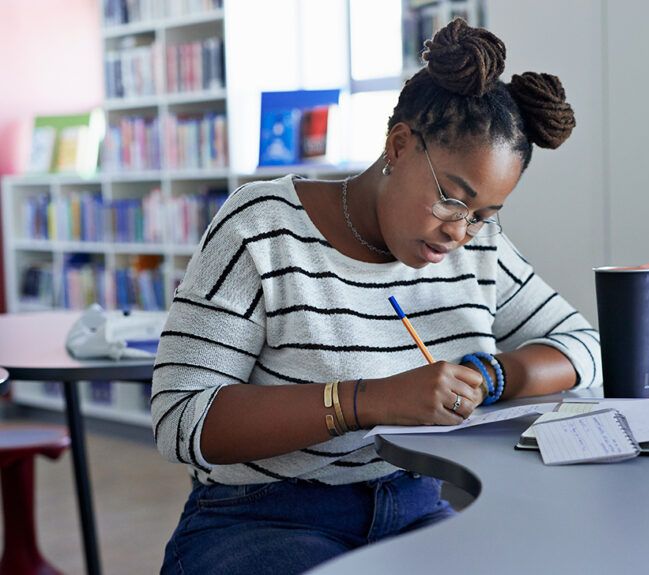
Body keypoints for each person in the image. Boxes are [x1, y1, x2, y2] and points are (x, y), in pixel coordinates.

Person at [153, 18, 602, 574]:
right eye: (451, 200)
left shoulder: (475, 251)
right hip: (264, 516)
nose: (460, 232)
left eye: (484, 216)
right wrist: (367, 400)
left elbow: (583, 347)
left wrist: (491, 376)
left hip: (414, 506)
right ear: (399, 145)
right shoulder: (263, 226)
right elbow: (182, 418)